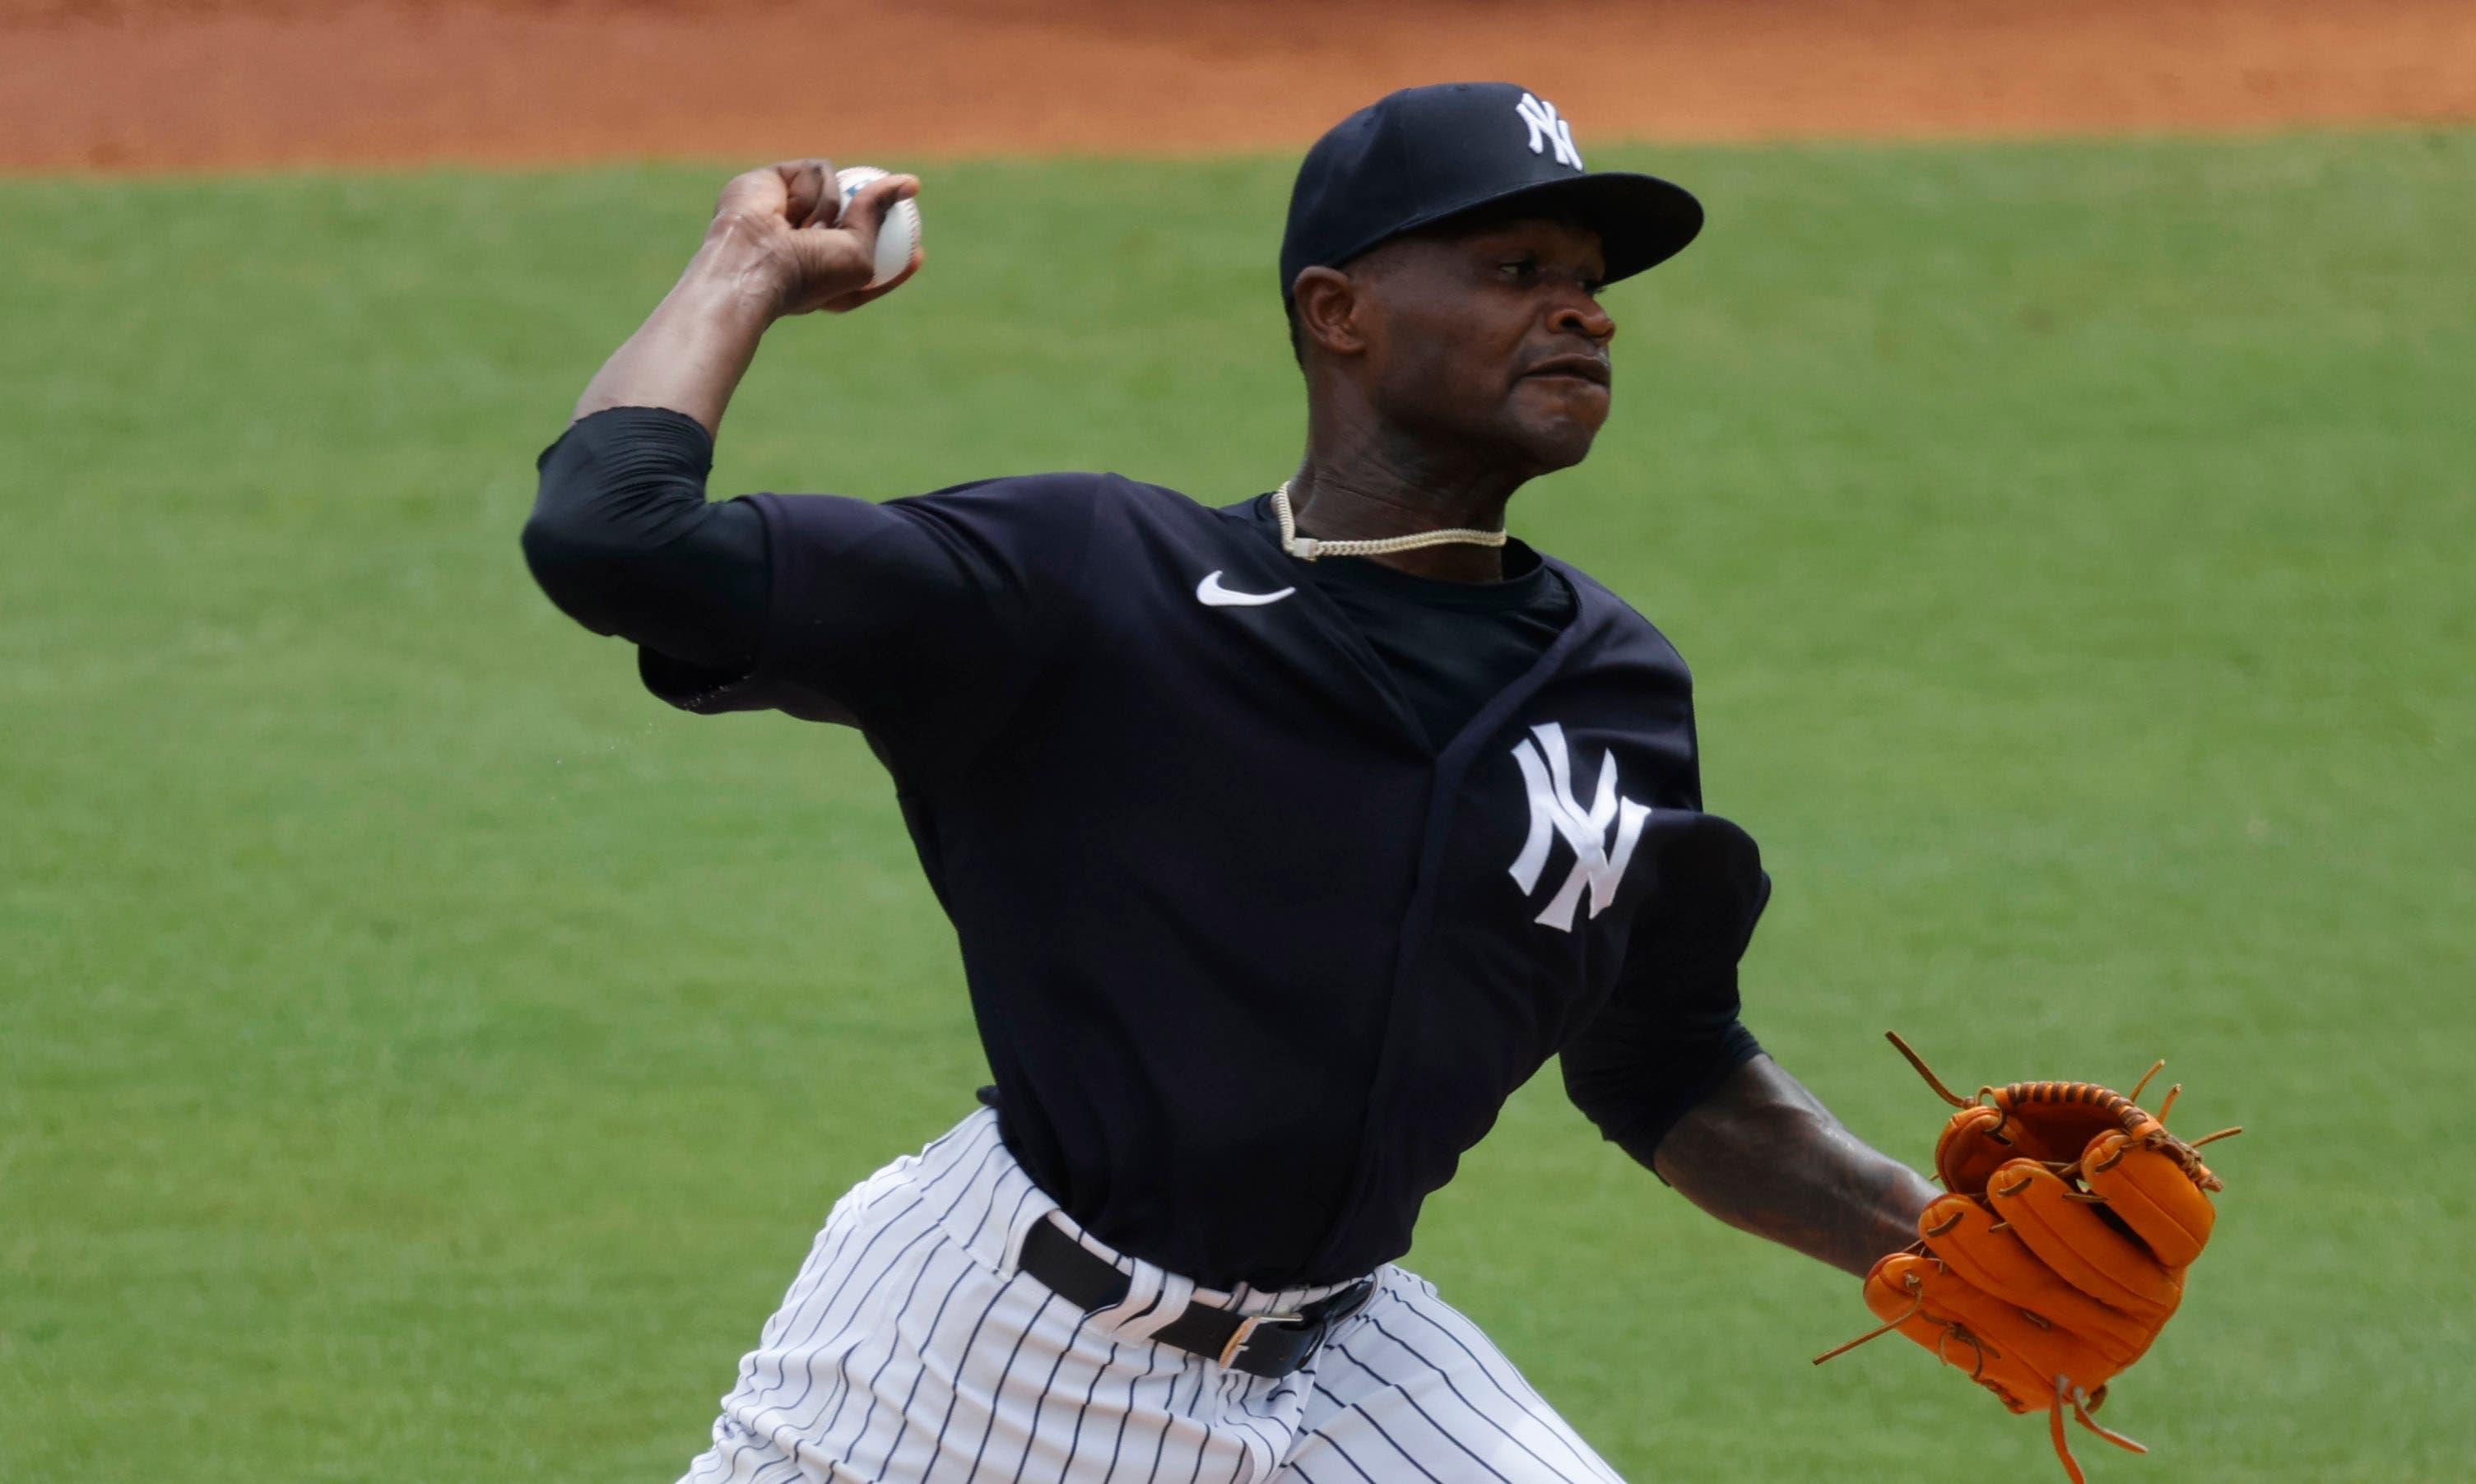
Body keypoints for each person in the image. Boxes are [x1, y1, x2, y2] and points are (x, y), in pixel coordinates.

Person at [524, 82, 1933, 1483]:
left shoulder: (1615, 687)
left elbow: (1665, 1060)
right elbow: (613, 538)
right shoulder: (1085, 583)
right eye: (1518, 272)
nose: (1587, 311)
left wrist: (1919, 1230)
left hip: (1346, 1364)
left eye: (1588, 281)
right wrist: (749, 268)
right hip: (976, 1368)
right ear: (1339, 312)